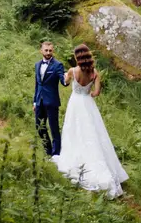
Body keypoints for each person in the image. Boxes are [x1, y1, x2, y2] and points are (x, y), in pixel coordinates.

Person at [52, 44, 128, 198]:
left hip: (75, 104)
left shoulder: (73, 71)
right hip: (88, 104)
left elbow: (66, 82)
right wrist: (88, 94)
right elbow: (96, 92)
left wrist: (66, 76)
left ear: (77, 57)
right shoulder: (95, 73)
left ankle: (76, 162)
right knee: (93, 134)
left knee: (74, 131)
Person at [33, 40, 67, 157]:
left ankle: (56, 154)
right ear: (41, 51)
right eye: (46, 50)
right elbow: (37, 84)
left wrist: (67, 79)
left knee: (54, 128)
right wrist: (35, 101)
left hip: (52, 102)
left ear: (53, 51)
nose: (48, 53)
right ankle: (48, 151)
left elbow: (63, 81)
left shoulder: (58, 65)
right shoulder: (37, 65)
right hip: (39, 101)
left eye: (50, 50)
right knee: (39, 126)